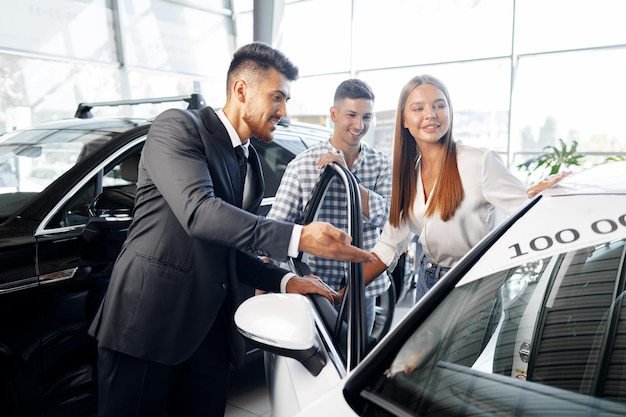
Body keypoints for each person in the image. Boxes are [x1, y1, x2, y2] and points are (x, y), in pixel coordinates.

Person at [88, 42, 375, 417]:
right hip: (149, 329)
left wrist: (286, 281)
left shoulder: (249, 161)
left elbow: (229, 247)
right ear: (242, 90)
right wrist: (298, 236)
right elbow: (200, 214)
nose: (284, 112)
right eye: (277, 97)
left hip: (213, 338)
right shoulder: (177, 127)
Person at [360, 74, 568, 302]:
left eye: (439, 105)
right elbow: (388, 245)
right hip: (427, 281)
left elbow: (526, 212)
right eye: (418, 109)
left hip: (473, 286)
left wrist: (544, 196)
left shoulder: (479, 162)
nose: (431, 114)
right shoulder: (408, 175)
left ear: (449, 112)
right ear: (404, 120)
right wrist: (340, 295)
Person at [267, 78, 392, 334]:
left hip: (361, 292)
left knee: (357, 367)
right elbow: (275, 230)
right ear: (334, 114)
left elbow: (394, 222)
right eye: (351, 115)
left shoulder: (381, 165)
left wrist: (349, 179)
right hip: (314, 293)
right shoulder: (302, 166)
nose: (359, 125)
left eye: (367, 117)